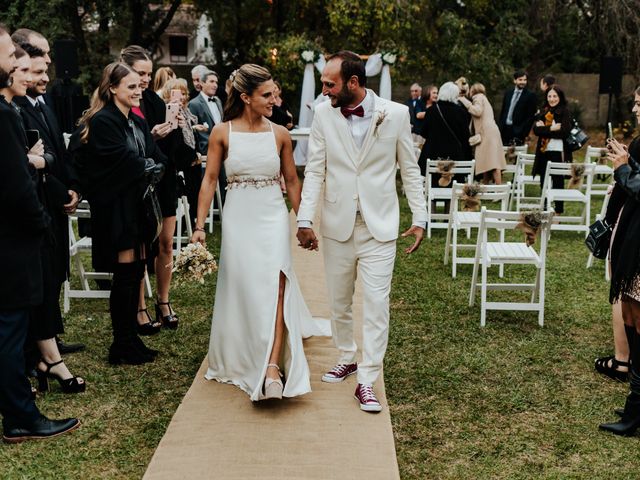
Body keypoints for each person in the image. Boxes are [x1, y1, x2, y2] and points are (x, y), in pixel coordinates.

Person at [296, 51, 428, 412]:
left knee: (376, 303)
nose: (323, 90)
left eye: (329, 83)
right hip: (338, 222)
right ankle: (346, 354)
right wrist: (305, 220)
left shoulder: (396, 114)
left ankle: (367, 377)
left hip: (379, 226)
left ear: (353, 83)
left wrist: (421, 217)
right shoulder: (323, 114)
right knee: (339, 301)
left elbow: (409, 170)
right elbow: (316, 170)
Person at [190, 64, 323, 401]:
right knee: (245, 287)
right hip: (238, 216)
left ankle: (272, 366)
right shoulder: (222, 132)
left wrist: (303, 221)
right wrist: (199, 226)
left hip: (272, 215)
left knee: (278, 283)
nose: (273, 101)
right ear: (246, 97)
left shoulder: (279, 133)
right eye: (266, 95)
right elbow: (209, 180)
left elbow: (292, 180)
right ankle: (246, 353)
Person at [0, 23, 79, 443]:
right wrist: (40, 222)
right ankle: (19, 417)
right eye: (11, 57)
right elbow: (16, 188)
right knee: (10, 331)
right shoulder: (4, 114)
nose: (19, 64)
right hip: (14, 240)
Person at [73, 62, 166, 365]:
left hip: (138, 205)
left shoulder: (136, 122)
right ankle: (121, 343)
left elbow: (156, 156)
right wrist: (146, 166)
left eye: (139, 86)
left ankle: (130, 338)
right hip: (116, 208)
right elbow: (123, 162)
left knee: (138, 269)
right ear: (113, 88)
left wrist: (149, 165)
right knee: (125, 275)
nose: (138, 91)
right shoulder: (103, 121)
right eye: (131, 87)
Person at [120, 45, 178, 332]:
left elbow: (172, 147)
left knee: (166, 242)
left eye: (148, 74)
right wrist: (151, 136)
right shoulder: (121, 103)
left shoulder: (154, 100)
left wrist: (173, 130)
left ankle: (164, 301)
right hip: (140, 184)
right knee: (143, 247)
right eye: (140, 73)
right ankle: (140, 306)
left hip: (163, 179)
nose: (144, 79)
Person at [600, 87, 640, 435]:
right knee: (629, 313)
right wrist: (628, 159)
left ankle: (634, 414)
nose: (636, 107)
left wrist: (624, 169)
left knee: (639, 322)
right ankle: (636, 404)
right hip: (633, 237)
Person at [532, 85, 572, 214]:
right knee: (543, 180)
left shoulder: (564, 111)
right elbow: (536, 130)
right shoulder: (544, 111)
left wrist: (545, 130)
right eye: (549, 96)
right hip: (544, 150)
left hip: (558, 150)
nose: (552, 99)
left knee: (558, 181)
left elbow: (565, 132)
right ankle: (543, 210)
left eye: (555, 96)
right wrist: (551, 129)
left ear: (560, 97)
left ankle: (558, 211)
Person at [417, 81, 472, 176]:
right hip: (455, 158)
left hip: (432, 155)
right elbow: (465, 137)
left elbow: (423, 133)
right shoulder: (461, 112)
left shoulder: (431, 111)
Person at [459, 83, 507, 184]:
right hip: (490, 132)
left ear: (473, 91)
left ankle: (499, 191)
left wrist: (463, 100)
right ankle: (484, 188)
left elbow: (477, 111)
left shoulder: (478, 98)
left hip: (486, 133)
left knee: (493, 163)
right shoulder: (484, 98)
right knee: (486, 161)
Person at [498, 69, 537, 145]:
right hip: (504, 130)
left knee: (517, 155)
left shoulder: (530, 95)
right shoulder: (508, 93)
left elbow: (530, 117)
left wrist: (523, 132)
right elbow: (503, 111)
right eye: (520, 80)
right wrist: (500, 126)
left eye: (525, 80)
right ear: (515, 80)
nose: (523, 82)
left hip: (518, 132)